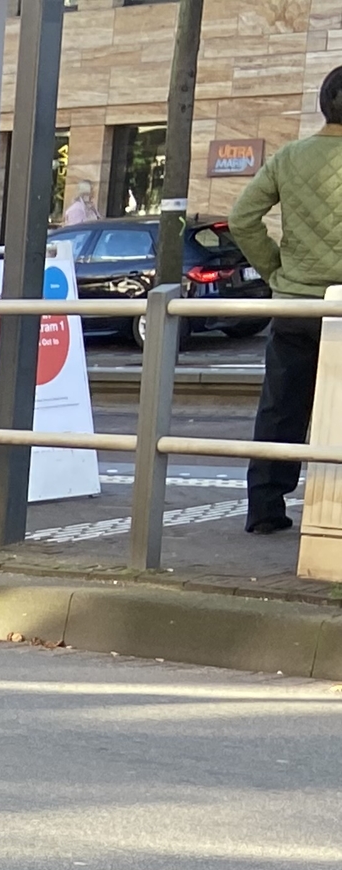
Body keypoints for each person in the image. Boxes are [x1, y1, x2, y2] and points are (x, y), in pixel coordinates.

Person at [231, 65, 342, 535]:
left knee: (280, 406)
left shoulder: (289, 157)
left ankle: (265, 508)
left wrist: (276, 269)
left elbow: (242, 218)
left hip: (296, 304)